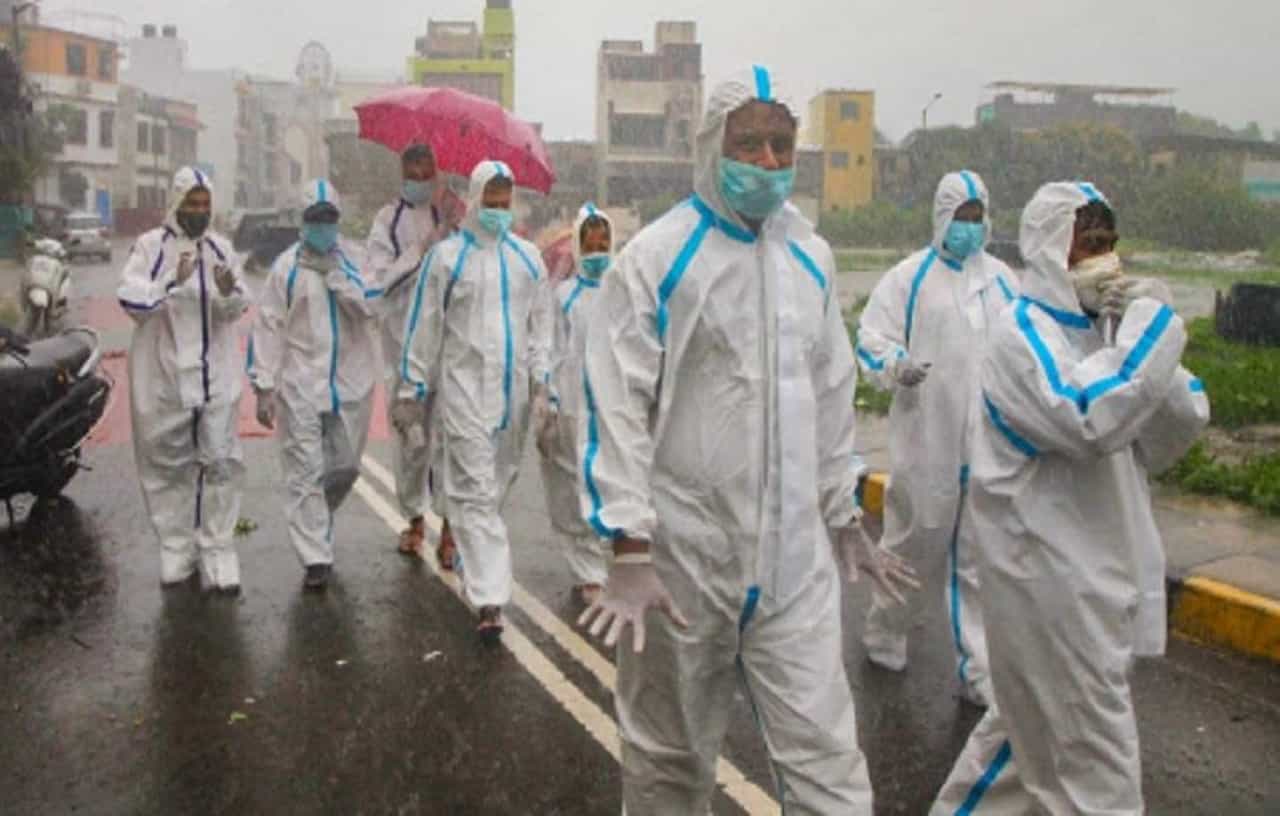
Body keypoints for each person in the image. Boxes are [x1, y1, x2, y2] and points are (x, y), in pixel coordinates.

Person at [576, 66, 918, 814]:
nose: (767, 162)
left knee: (831, 770)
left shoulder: (809, 259)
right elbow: (615, 404)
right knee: (670, 765)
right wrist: (628, 543)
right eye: (749, 144)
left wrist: (842, 511)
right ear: (711, 148)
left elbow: (831, 393)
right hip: (683, 562)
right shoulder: (659, 260)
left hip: (794, 565)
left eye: (781, 146)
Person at [931, 182, 1209, 814]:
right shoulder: (1018, 334)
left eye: (1109, 243)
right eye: (1086, 244)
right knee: (1099, 785)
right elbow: (1086, 416)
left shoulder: (1105, 330)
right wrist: (1152, 331)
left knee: (1018, 749)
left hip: (1091, 581)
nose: (1101, 258)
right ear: (1048, 246)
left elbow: (1175, 425)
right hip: (1050, 587)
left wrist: (1141, 329)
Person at [856, 170, 1018, 707]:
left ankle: (978, 668)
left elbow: (1024, 341)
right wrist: (893, 365)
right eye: (961, 217)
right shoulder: (910, 278)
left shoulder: (1001, 280)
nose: (970, 227)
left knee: (977, 556)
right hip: (929, 437)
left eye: (977, 216)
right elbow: (872, 336)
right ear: (941, 217)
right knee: (915, 540)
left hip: (987, 442)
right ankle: (886, 627)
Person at [397, 159, 552, 640]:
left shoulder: (528, 259)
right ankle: (490, 600)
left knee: (495, 487)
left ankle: (469, 546)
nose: (499, 210)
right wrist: (410, 387)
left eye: (506, 202)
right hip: (463, 392)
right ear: (475, 199)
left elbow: (541, 327)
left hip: (512, 399)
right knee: (477, 493)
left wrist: (543, 383)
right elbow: (423, 326)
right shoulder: (447, 259)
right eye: (492, 201)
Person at [117, 166, 247, 593]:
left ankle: (219, 548)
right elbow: (132, 301)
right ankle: (176, 547)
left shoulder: (220, 248)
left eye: (205, 203)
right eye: (192, 202)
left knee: (221, 460)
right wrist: (171, 281)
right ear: (176, 203)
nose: (199, 211)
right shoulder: (151, 247)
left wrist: (228, 291)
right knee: (167, 465)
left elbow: (236, 308)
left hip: (216, 377)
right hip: (166, 378)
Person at [248, 179, 381, 591]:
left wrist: (338, 280)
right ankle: (315, 558)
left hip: (349, 383)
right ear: (303, 221)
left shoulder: (353, 259)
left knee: (346, 466)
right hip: (300, 383)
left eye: (329, 218)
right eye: (315, 218)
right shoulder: (286, 268)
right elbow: (268, 325)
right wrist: (264, 385)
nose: (323, 226)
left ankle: (317, 515)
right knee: (304, 470)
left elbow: (372, 304)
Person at [365, 143, 461, 562]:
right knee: (411, 440)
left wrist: (456, 225)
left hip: (447, 345)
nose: (420, 180)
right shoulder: (387, 221)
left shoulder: (451, 215)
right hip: (403, 345)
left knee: (451, 439)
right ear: (402, 173)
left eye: (427, 173)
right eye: (413, 173)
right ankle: (414, 518)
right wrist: (420, 252)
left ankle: (451, 530)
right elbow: (377, 283)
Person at [536, 203, 615, 607]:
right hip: (571, 408)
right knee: (571, 490)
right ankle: (588, 572)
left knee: (606, 487)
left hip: (610, 411)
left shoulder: (624, 294)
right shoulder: (564, 296)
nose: (598, 252)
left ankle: (609, 560)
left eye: (604, 244)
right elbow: (550, 348)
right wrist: (547, 398)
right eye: (591, 244)